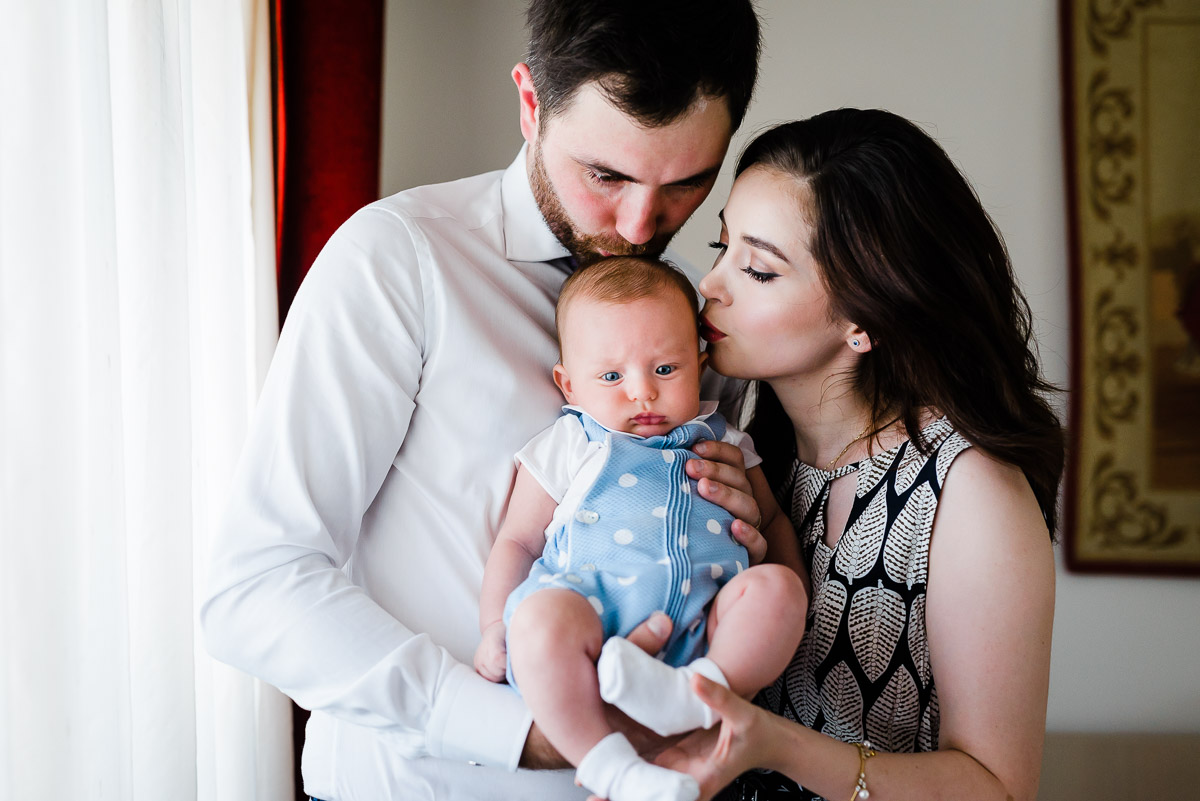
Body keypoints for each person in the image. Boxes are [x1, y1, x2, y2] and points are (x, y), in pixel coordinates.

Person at [199, 2, 765, 800]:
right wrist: (522, 732)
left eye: (686, 183)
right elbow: (256, 584)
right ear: (531, 103)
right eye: (606, 176)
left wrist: (744, 532)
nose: (642, 225)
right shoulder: (398, 261)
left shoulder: (704, 315)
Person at [648, 108, 1064, 801]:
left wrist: (776, 744)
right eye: (721, 246)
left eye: (758, 269)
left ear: (863, 317)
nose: (711, 285)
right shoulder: (741, 449)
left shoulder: (968, 490)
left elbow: (997, 786)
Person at [473, 256, 809, 801]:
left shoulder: (723, 441)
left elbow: (770, 520)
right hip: (591, 615)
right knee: (538, 621)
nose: (643, 393)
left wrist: (791, 593)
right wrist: (494, 626)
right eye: (611, 377)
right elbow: (518, 540)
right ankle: (607, 765)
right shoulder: (572, 443)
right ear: (569, 385)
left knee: (777, 589)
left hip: (707, 631)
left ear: (699, 365)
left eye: (666, 369)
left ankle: (699, 696)